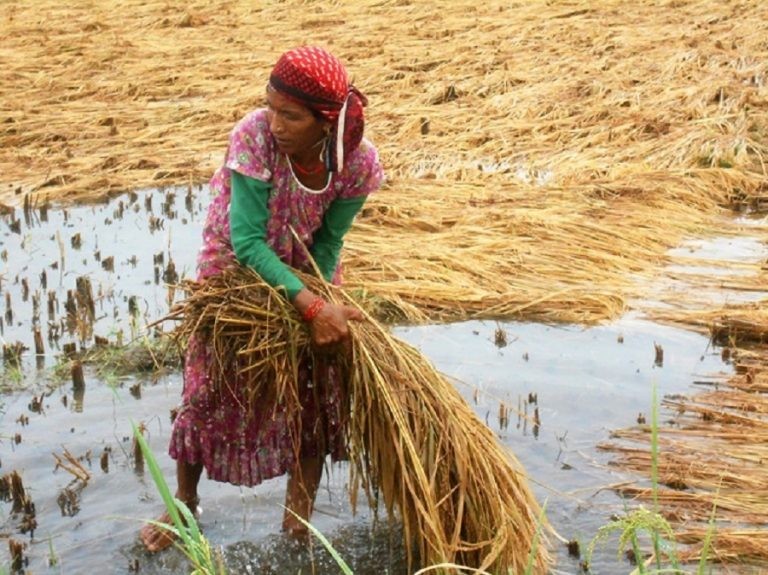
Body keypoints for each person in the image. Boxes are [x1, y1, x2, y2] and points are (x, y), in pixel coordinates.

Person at [140, 46, 384, 552]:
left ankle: (297, 524)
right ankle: (185, 504)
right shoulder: (254, 137)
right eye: (270, 106)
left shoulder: (356, 164)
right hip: (233, 272)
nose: (275, 123)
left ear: (326, 122)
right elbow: (248, 242)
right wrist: (310, 306)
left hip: (302, 271)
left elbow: (328, 244)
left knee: (312, 390)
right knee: (211, 389)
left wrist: (319, 300)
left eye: (290, 115)